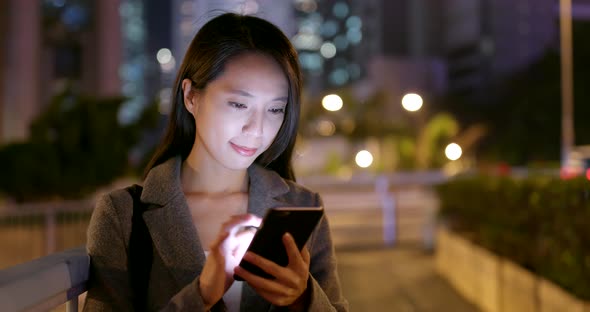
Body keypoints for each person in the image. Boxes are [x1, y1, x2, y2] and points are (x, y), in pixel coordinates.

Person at [83, 12, 349, 312]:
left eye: (275, 109)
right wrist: (201, 296)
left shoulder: (301, 208)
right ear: (191, 97)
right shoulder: (123, 215)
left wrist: (303, 298)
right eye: (238, 104)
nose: (257, 129)